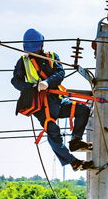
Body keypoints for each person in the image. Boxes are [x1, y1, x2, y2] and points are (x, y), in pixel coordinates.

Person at [11, 28, 93, 171]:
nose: (34, 52)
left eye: (36, 49)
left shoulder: (52, 56)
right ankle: (73, 162)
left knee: (82, 110)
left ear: (42, 45)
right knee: (53, 132)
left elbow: (60, 73)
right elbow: (15, 81)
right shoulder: (23, 62)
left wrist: (47, 82)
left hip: (57, 101)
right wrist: (31, 86)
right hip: (41, 105)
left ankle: (75, 141)